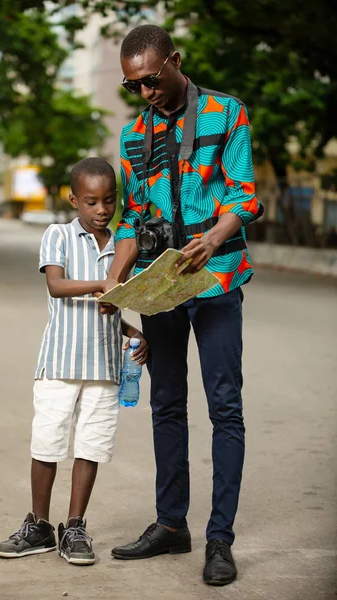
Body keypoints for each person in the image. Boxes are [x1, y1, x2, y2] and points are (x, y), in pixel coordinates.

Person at [105, 25, 264, 586]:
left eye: (150, 80)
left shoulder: (227, 113)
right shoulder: (133, 136)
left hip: (216, 277)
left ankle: (220, 539)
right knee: (166, 405)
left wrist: (214, 238)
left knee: (225, 407)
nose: (145, 93)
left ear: (174, 61)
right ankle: (172, 526)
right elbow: (130, 218)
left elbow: (244, 194)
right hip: (160, 284)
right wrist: (116, 282)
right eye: (132, 86)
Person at [0, 158, 148, 565]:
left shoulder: (122, 245)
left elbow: (111, 307)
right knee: (48, 441)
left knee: (91, 445)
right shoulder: (58, 234)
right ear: (74, 199)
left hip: (103, 369)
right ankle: (39, 526)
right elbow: (56, 284)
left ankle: (75, 527)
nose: (101, 210)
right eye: (92, 201)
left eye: (109, 201)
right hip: (60, 364)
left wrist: (132, 333)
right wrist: (105, 283)